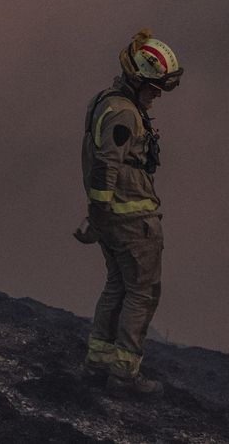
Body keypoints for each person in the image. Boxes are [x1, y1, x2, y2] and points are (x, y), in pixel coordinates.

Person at [75, 28, 182, 396]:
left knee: (117, 286)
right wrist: (100, 211)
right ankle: (124, 375)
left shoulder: (106, 101)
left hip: (113, 218)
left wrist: (98, 217)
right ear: (136, 80)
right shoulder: (124, 113)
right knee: (143, 293)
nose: (157, 95)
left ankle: (98, 362)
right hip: (132, 221)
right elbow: (107, 165)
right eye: (153, 87)